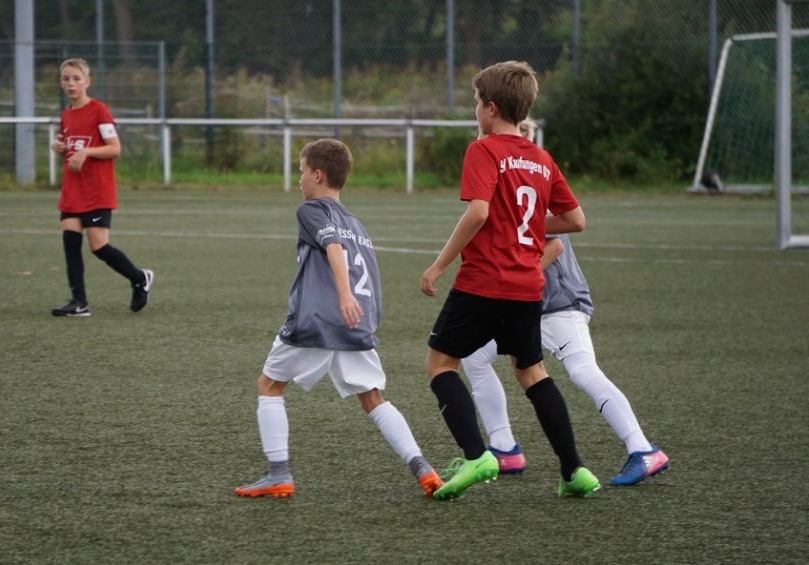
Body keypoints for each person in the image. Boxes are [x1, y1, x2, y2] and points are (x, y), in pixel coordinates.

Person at [420, 61, 598, 500]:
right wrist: (532, 225)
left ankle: (476, 455)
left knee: (440, 364)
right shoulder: (541, 158)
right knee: (532, 372)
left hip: (483, 281)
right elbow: (575, 220)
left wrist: (439, 265)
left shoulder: (483, 150)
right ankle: (574, 470)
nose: (475, 109)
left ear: (492, 108)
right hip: (527, 285)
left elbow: (478, 212)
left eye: (476, 101)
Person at [462, 121, 669, 485]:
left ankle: (642, 449)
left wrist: (507, 282)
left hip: (558, 303)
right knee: (474, 355)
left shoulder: (527, 184)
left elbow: (554, 245)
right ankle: (505, 448)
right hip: (527, 305)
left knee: (582, 370)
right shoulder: (506, 185)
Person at [235, 138, 443, 499]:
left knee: (269, 386)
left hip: (317, 320)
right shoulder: (355, 223)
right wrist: (364, 316)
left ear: (317, 175)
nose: (299, 179)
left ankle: (278, 474)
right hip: (356, 324)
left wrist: (344, 295)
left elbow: (332, 246)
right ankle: (422, 467)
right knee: (373, 398)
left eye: (301, 171)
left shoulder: (311, 209)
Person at [49, 58, 153, 317]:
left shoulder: (99, 111)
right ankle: (79, 303)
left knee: (99, 247)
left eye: (76, 78)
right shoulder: (66, 115)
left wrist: (87, 152)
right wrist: (59, 146)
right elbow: (71, 146)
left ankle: (139, 278)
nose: (71, 83)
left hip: (96, 190)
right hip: (72, 189)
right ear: (61, 82)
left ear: (87, 82)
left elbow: (114, 148)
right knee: (70, 244)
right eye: (66, 78)